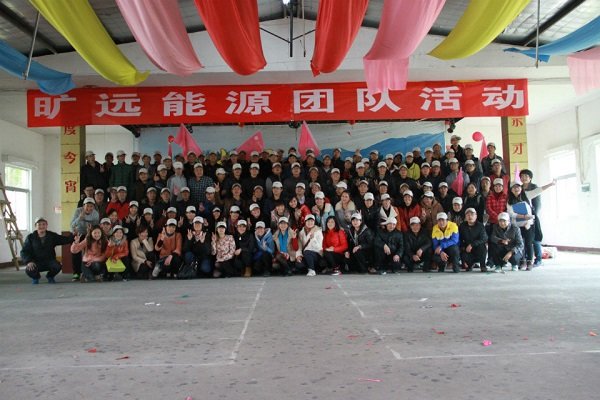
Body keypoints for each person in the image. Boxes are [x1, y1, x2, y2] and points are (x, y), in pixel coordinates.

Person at [21, 217, 74, 284]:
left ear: (46, 225)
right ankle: (36, 277)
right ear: (35, 226)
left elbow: (65, 240)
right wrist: (29, 261)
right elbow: (24, 251)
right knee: (29, 269)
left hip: (50, 261)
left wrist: (73, 234)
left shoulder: (52, 235)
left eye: (43, 224)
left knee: (57, 266)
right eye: (39, 224)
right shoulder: (30, 237)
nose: (41, 226)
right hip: (36, 262)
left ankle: (50, 276)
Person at [519, 169, 556, 266]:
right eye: (522, 176)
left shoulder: (533, 188)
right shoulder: (519, 188)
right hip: (522, 217)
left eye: (526, 176)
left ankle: (538, 259)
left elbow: (537, 203)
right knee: (525, 239)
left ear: (530, 178)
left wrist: (534, 216)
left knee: (535, 239)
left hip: (532, 216)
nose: (524, 178)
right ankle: (525, 259)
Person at [507, 182, 537, 270]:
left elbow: (530, 212)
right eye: (514, 188)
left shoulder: (526, 197)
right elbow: (511, 214)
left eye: (518, 187)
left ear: (521, 188)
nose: (516, 189)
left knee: (529, 243)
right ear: (511, 190)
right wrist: (523, 216)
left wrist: (528, 221)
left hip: (528, 225)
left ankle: (530, 262)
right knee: (520, 244)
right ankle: (522, 261)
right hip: (517, 227)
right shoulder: (509, 201)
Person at [70, 197, 100, 281]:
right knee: (75, 251)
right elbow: (72, 225)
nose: (89, 208)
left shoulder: (95, 214)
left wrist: (90, 231)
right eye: (87, 206)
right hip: (78, 234)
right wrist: (79, 218)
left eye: (91, 206)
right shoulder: (78, 211)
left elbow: (96, 227)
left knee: (90, 252)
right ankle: (76, 273)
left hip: (89, 234)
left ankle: (89, 272)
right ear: (83, 206)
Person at [458, 208, 488, 272]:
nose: (470, 216)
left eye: (472, 214)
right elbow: (459, 238)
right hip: (467, 248)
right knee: (460, 249)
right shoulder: (462, 226)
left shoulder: (480, 226)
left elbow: (484, 238)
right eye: (468, 215)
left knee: (482, 246)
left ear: (476, 216)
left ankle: (483, 266)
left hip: (477, 247)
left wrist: (472, 244)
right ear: (465, 217)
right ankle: (469, 265)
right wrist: (463, 247)